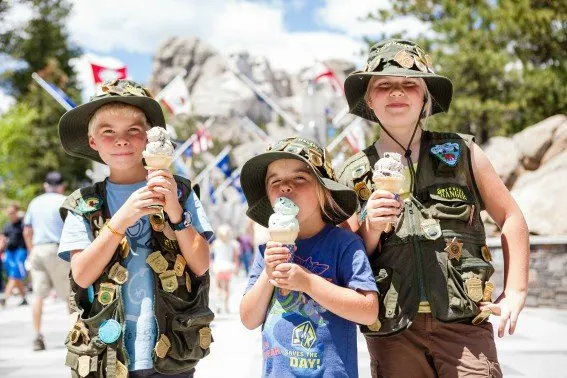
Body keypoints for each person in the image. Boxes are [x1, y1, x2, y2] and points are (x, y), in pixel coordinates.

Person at [337, 39, 530, 377]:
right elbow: (345, 256)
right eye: (384, 85)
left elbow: (511, 217)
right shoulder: (352, 174)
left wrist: (515, 291)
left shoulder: (463, 152)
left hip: (464, 325)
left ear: (425, 97)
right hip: (394, 330)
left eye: (410, 84)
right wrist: (369, 228)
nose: (397, 92)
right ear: (369, 99)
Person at [57, 79, 214, 378]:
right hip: (106, 352)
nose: (121, 140)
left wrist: (176, 212)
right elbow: (82, 274)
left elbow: (201, 263)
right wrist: (120, 221)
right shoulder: (84, 204)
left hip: (173, 347)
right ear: (93, 142)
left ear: (150, 138)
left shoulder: (179, 191)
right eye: (108, 132)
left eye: (133, 131)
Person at [239, 136, 379, 377]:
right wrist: (267, 274)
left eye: (299, 177)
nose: (285, 186)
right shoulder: (267, 250)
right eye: (275, 180)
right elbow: (249, 319)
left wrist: (307, 282)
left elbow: (368, 311)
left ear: (322, 190)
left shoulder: (344, 244)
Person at [22, 171, 70, 351]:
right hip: (58, 249)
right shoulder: (64, 200)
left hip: (37, 249)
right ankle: (76, 333)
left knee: (38, 296)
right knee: (70, 295)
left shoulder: (35, 202)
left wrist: (31, 250)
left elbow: (27, 230)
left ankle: (37, 336)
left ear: (45, 185)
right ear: (62, 186)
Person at [1, 203, 28, 307]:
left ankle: (5, 298)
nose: (10, 214)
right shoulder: (7, 226)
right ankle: (24, 298)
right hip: (9, 252)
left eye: (12, 212)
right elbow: (3, 239)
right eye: (9, 213)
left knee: (14, 273)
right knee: (14, 275)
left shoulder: (23, 224)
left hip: (20, 251)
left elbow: (29, 233)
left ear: (17, 212)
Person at [210, 224, 238, 314]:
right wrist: (236, 268)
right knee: (226, 288)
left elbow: (211, 256)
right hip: (228, 267)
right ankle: (226, 306)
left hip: (218, 267)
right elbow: (235, 258)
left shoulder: (215, 243)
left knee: (218, 287)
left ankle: (218, 305)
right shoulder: (232, 244)